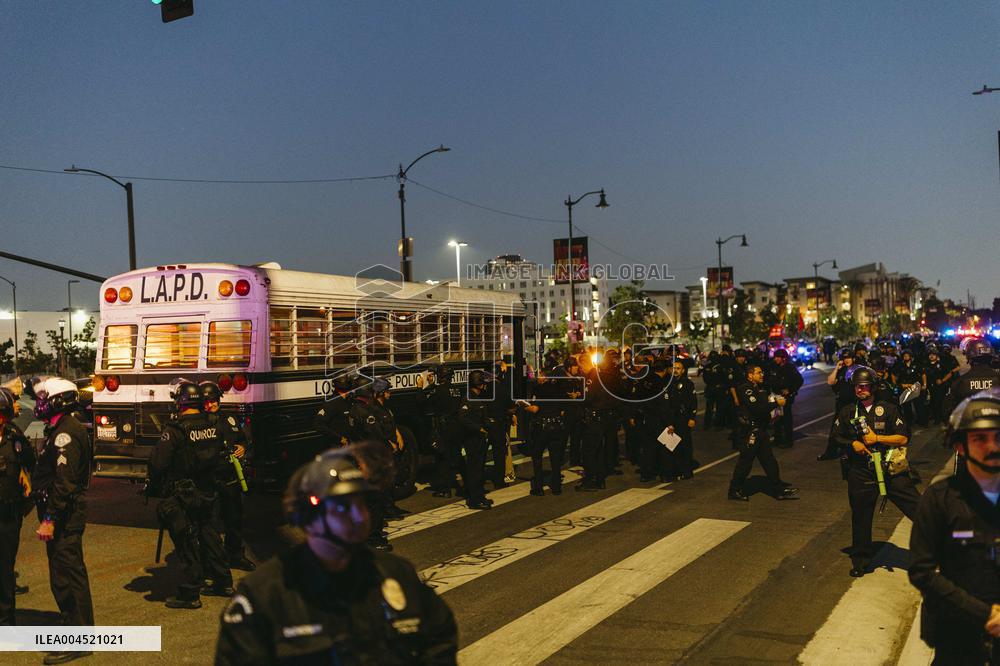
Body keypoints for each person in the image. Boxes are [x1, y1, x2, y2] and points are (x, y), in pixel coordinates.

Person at [215, 451, 458, 664]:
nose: (356, 517)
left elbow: (439, 636)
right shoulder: (264, 593)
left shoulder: (396, 573)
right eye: (341, 507)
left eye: (360, 505)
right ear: (308, 517)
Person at [909, 390, 1000, 664]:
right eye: (980, 439)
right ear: (960, 446)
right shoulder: (940, 499)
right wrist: (986, 615)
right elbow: (922, 571)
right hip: (958, 634)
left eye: (998, 437)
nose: (992, 446)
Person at [148, 379, 233, 609]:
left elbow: (158, 463)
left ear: (182, 402)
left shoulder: (175, 430)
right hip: (208, 489)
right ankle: (223, 581)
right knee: (209, 533)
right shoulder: (212, 426)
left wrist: (154, 485)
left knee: (185, 539)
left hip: (182, 492)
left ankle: (190, 592)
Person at [831, 366, 921, 577]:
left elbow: (903, 437)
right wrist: (852, 443)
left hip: (890, 469)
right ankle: (861, 560)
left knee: (919, 509)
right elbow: (836, 436)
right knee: (860, 517)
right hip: (861, 471)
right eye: (857, 387)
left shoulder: (888, 409)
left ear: (872, 387)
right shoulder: (847, 411)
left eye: (864, 386)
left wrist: (878, 439)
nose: (860, 390)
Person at [29, 377, 94, 664]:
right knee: (63, 576)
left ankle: (79, 638)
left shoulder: (66, 433)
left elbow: (64, 483)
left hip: (64, 517)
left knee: (68, 576)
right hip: (60, 515)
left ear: (59, 400)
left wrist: (50, 518)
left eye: (44, 397)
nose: (40, 403)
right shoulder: (60, 428)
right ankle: (74, 629)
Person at [199, 382, 255, 572]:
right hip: (209, 480)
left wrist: (243, 448)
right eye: (206, 402)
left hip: (230, 478)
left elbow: (242, 438)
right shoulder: (197, 422)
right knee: (210, 524)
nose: (210, 405)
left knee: (234, 519)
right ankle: (212, 562)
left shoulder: (229, 418)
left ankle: (235, 555)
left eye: (213, 401)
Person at [727, 364, 798, 501]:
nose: (762, 375)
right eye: (758, 373)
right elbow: (757, 409)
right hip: (750, 431)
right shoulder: (745, 389)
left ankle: (778, 490)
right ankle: (734, 490)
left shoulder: (759, 388)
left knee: (769, 461)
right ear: (750, 375)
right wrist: (775, 404)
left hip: (761, 430)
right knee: (745, 462)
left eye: (762, 372)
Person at [0, 388, 33, 626]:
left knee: (5, 566)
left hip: (9, 513)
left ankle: (5, 619)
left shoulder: (14, 435)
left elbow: (33, 462)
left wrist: (24, 473)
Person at [523, 364, 572, 495]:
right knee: (555, 458)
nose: (537, 377)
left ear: (544, 377)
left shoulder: (539, 389)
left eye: (539, 375)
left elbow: (535, 409)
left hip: (542, 427)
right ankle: (556, 486)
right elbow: (564, 409)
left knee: (537, 456)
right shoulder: (560, 390)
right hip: (557, 425)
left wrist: (523, 406)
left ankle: (538, 487)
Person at [454, 371, 493, 510]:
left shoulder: (477, 397)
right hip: (473, 439)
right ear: (479, 384)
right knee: (474, 470)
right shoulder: (469, 398)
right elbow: (463, 418)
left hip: (479, 438)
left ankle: (479, 495)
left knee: (479, 468)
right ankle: (475, 499)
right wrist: (479, 429)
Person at [946, 338, 1000, 417]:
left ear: (969, 358)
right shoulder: (998, 378)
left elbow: (948, 411)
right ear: (991, 357)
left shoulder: (960, 382)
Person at [666, 359, 698, 480]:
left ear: (683, 370)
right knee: (673, 446)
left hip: (684, 418)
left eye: (678, 368)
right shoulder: (669, 383)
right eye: (674, 368)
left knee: (685, 446)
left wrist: (692, 418)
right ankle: (676, 470)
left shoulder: (688, 383)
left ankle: (687, 470)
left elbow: (693, 402)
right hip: (672, 418)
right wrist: (669, 422)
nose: (675, 370)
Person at [767, 349, 803, 449]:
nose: (775, 359)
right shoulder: (773, 366)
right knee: (776, 419)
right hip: (775, 395)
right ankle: (777, 439)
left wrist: (791, 390)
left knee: (786, 420)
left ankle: (788, 441)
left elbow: (799, 380)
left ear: (783, 358)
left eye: (778, 357)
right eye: (775, 357)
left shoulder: (790, 367)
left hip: (785, 397)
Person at [312, 373, 355, 448]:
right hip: (337, 446)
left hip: (349, 444)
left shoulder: (348, 400)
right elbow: (319, 424)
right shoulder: (332, 403)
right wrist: (339, 438)